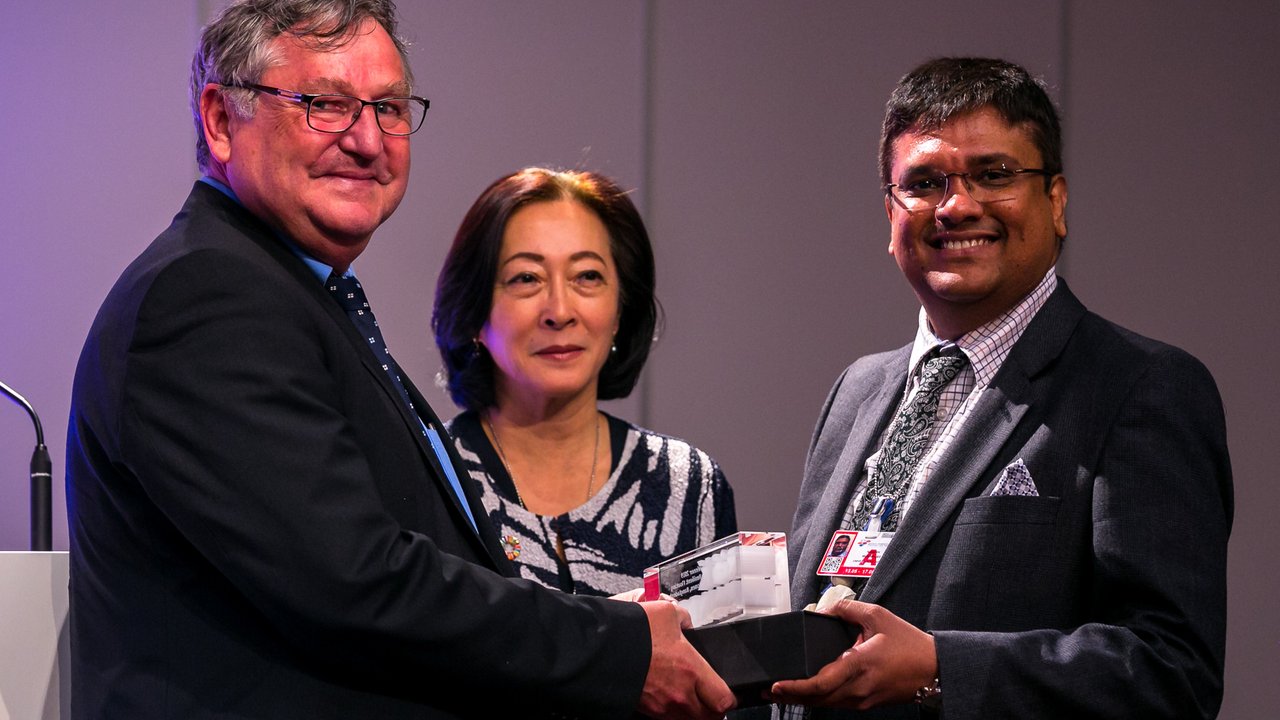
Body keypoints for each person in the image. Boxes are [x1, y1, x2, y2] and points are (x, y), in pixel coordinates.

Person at [64, 2, 734, 718]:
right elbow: (353, 583)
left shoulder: (290, 290)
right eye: (324, 103)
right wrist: (621, 647)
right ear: (223, 120)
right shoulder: (207, 295)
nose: (365, 139)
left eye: (387, 107)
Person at [767, 57, 1232, 718]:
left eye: (994, 174)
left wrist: (942, 670)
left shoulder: (1139, 388)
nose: (956, 206)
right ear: (890, 213)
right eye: (924, 182)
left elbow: (1171, 672)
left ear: (1058, 202)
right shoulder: (857, 390)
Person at [432, 167, 737, 596]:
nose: (559, 310)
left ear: (620, 310)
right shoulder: (428, 476)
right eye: (526, 279)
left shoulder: (689, 486)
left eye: (587, 277)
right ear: (475, 314)